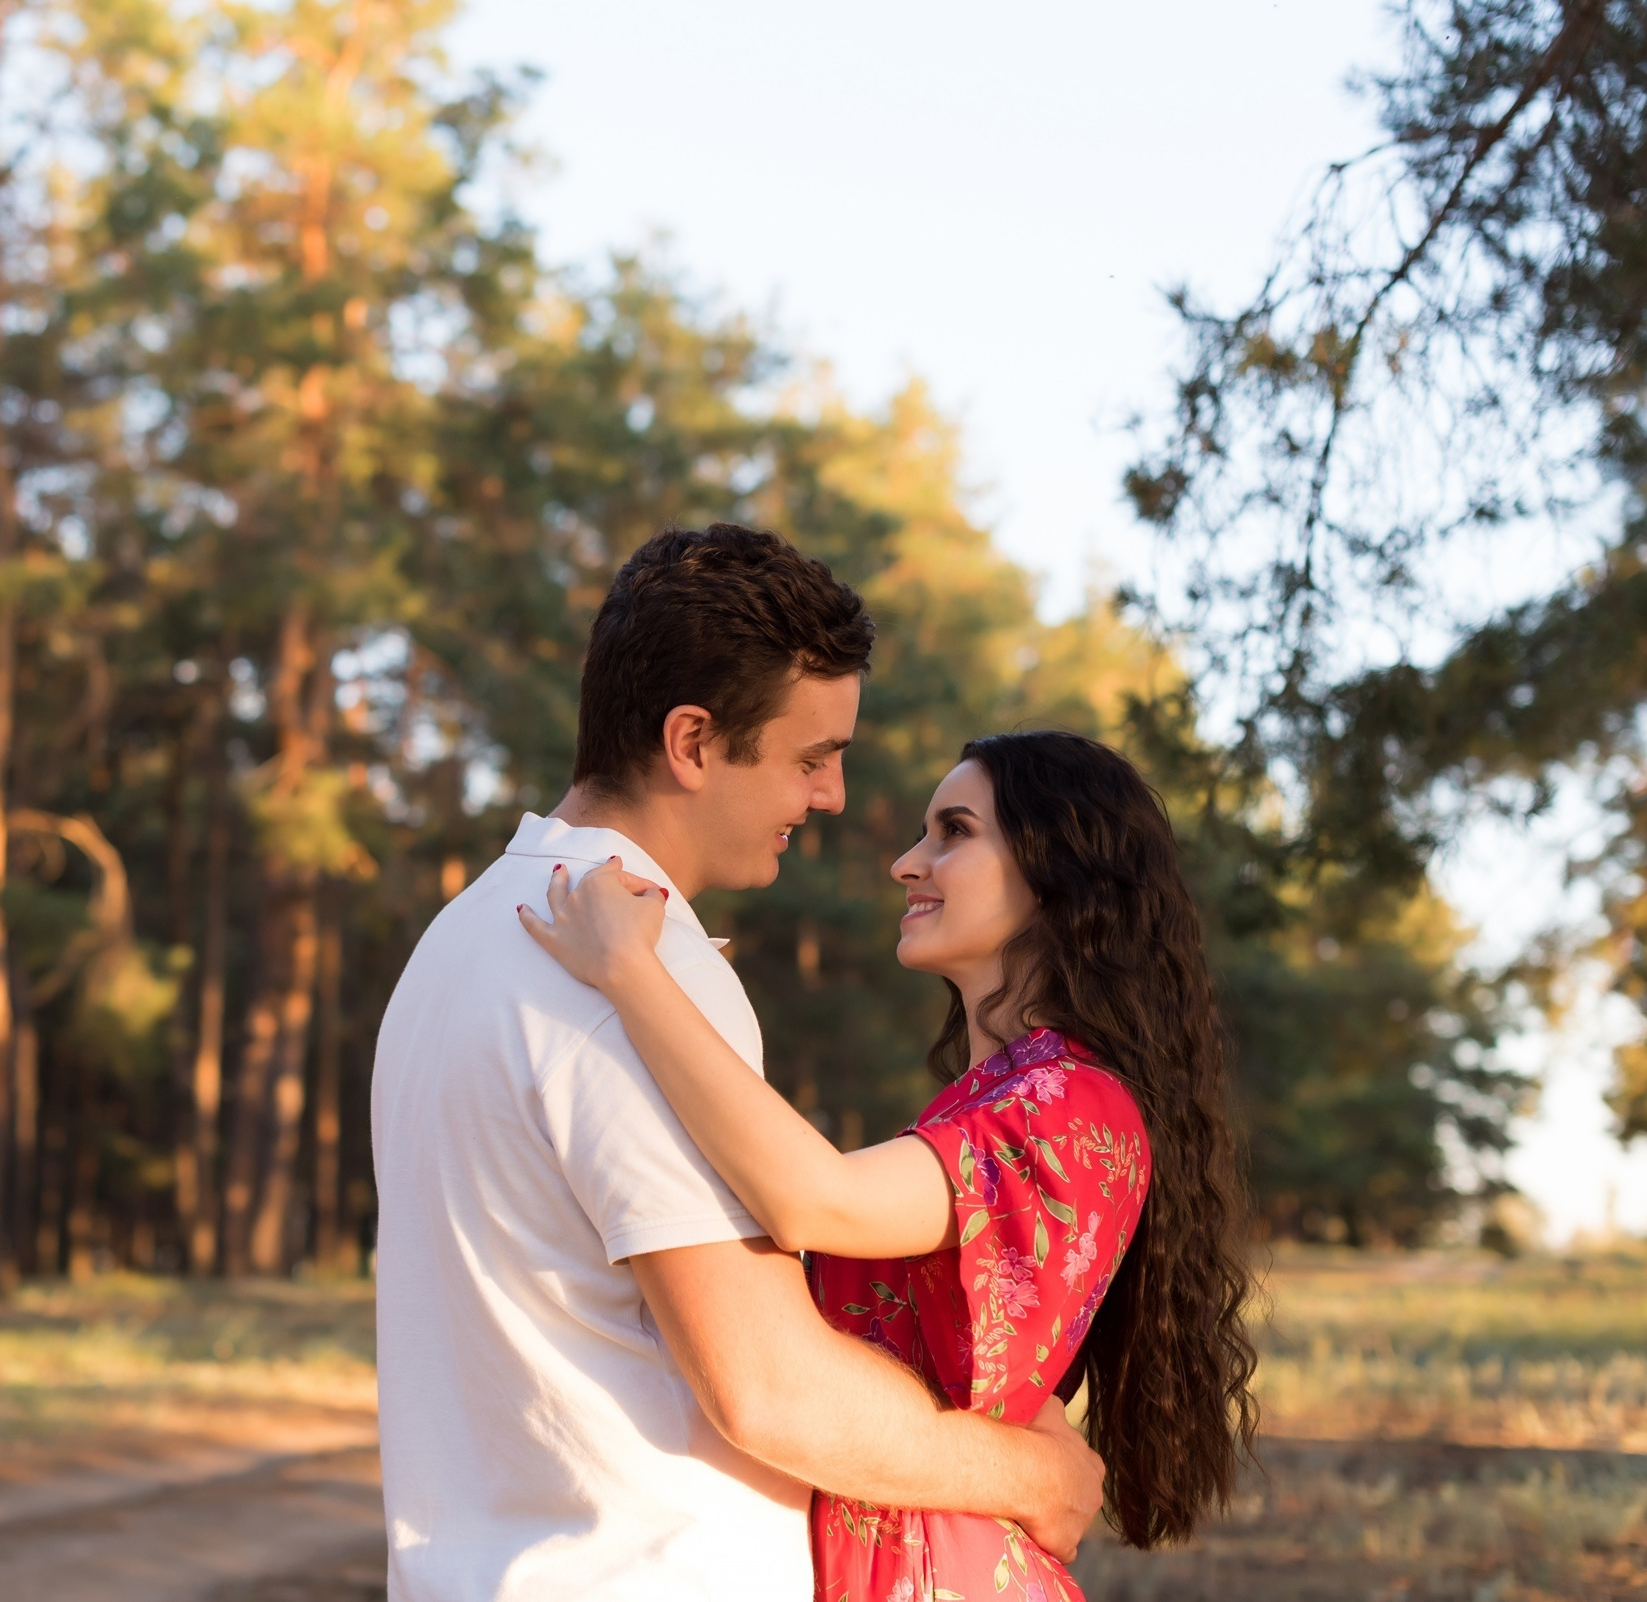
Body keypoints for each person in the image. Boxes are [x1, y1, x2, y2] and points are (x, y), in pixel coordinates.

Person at [371, 526, 1107, 1602]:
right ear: (693, 743)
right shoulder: (631, 959)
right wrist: (1029, 1473)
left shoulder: (462, 936)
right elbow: (766, 1387)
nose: (833, 799)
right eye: (811, 758)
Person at [520, 728, 1262, 1601]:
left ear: (1057, 866)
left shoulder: (1072, 1103)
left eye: (953, 831)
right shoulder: (1002, 1098)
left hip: (938, 1568)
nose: (907, 863)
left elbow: (809, 1197)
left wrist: (633, 972)